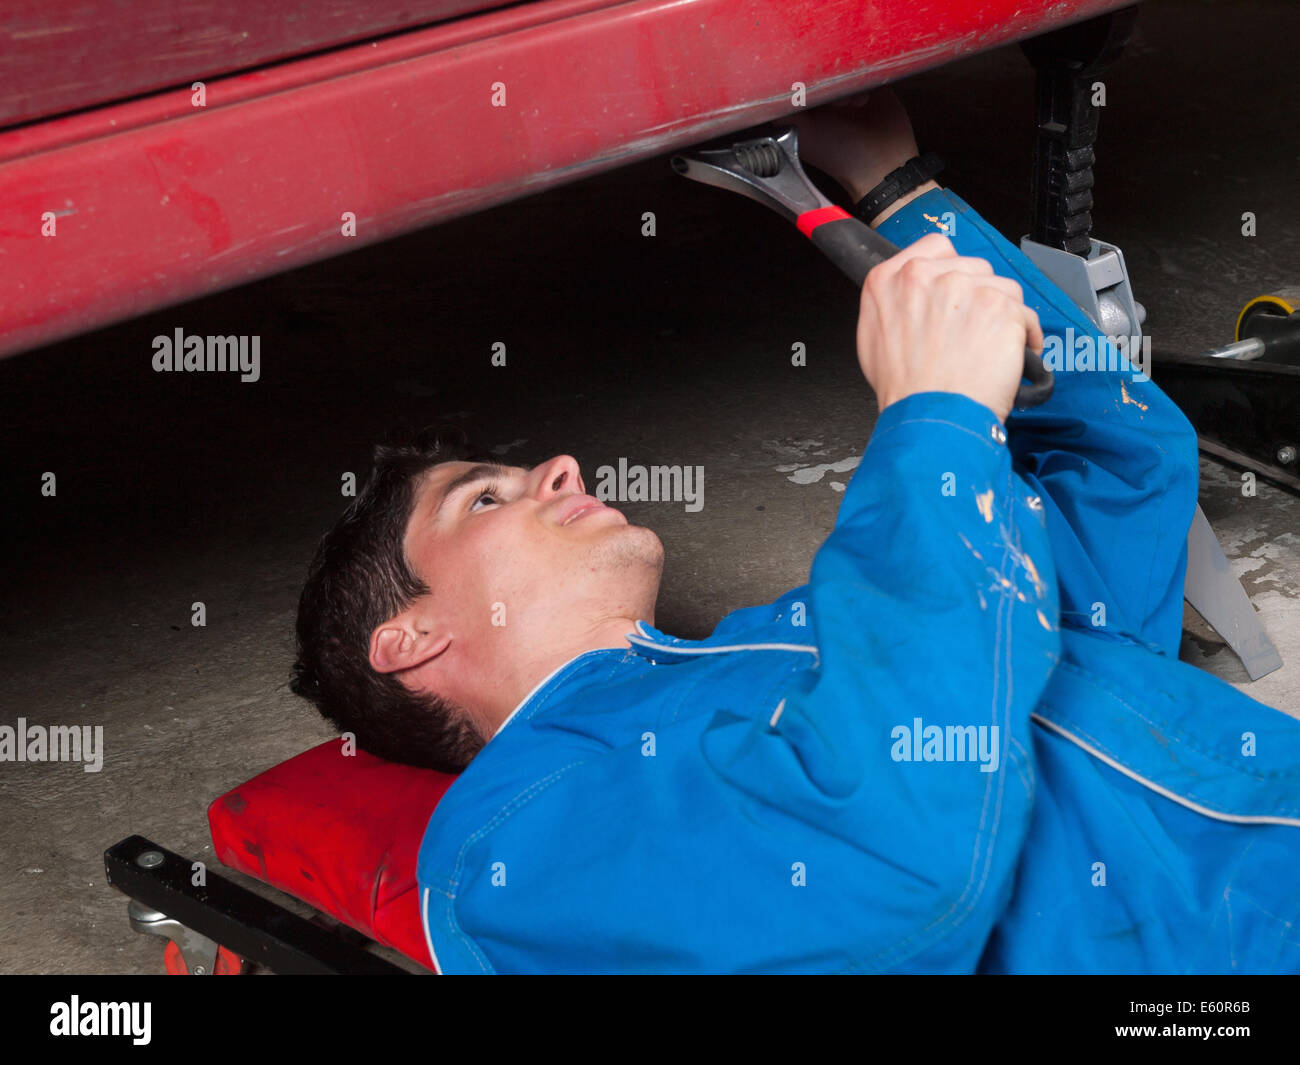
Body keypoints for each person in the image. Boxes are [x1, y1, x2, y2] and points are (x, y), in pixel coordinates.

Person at [291, 91, 1300, 974]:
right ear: (409, 638)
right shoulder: (505, 849)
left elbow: (1119, 465)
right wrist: (933, 421)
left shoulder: (799, 640)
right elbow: (896, 869)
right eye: (482, 497)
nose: (559, 467)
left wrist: (897, 196)